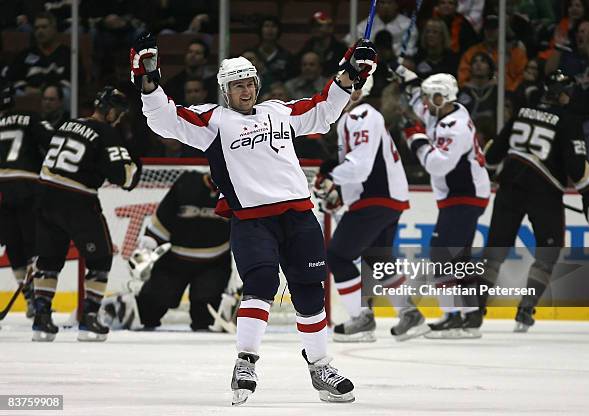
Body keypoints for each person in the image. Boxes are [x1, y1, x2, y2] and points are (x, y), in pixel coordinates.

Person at [131, 32, 376, 405]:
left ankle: (321, 367)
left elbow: (324, 110)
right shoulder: (212, 121)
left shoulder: (279, 111)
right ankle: (245, 362)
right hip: (251, 220)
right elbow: (164, 119)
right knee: (261, 280)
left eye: (250, 84)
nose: (245, 91)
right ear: (224, 91)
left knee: (310, 290)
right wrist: (148, 78)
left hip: (299, 215)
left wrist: (350, 73)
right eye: (236, 86)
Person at [481, 69, 589, 332]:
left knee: (495, 251)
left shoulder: (522, 112)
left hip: (510, 188)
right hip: (544, 192)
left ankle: (475, 308)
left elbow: (493, 154)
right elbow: (576, 166)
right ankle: (526, 308)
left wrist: (493, 174)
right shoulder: (568, 120)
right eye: (568, 93)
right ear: (560, 95)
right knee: (548, 251)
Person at [314, 76, 428, 343]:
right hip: (384, 197)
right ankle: (410, 314)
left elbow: (360, 166)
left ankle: (362, 319)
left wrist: (332, 177)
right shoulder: (354, 118)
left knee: (338, 256)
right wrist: (337, 186)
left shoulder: (360, 115)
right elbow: (359, 163)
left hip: (376, 197)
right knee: (379, 260)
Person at [31, 86, 140, 343]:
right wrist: (135, 164)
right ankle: (90, 318)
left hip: (45, 194)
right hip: (77, 200)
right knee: (100, 258)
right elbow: (123, 177)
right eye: (119, 113)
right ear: (111, 111)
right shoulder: (106, 132)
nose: (120, 118)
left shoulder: (68, 124)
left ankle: (41, 319)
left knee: (48, 259)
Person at [400, 70, 491, 338]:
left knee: (442, 253)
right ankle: (469, 315)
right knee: (456, 256)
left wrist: (415, 138)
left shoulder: (456, 127)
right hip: (461, 194)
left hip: (464, 195)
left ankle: (456, 315)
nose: (425, 104)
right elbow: (418, 101)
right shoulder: (446, 111)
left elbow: (437, 164)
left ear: (442, 97)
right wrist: (406, 76)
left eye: (431, 98)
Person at [101, 171, 231, 332]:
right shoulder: (187, 183)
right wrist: (149, 244)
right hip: (176, 260)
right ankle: (122, 306)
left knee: (206, 317)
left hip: (215, 262)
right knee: (151, 307)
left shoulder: (237, 189)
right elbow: (164, 215)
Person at [0, 79, 54, 318]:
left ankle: (29, 297)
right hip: (27, 186)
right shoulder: (30, 117)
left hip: (2, 188)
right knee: (33, 246)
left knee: (13, 246)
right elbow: (54, 144)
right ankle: (37, 297)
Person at [545, 20, 589, 168]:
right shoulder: (569, 56)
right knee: (566, 163)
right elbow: (549, 72)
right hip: (570, 119)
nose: (580, 35)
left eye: (585, 31)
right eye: (579, 32)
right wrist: (558, 47)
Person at [457, 15, 528, 91]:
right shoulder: (472, 52)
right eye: (487, 28)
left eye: (494, 29)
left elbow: (522, 77)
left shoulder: (516, 53)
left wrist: (509, 90)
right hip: (477, 93)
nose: (490, 32)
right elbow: (462, 80)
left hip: (508, 94)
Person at [6, 12, 71, 95]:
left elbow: (76, 79)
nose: (40, 31)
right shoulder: (26, 54)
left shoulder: (67, 53)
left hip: (59, 93)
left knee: (67, 93)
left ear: (54, 29)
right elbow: (12, 77)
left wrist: (50, 90)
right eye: (37, 28)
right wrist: (26, 88)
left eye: (44, 27)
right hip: (29, 92)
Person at [344, 0, 418, 58]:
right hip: (370, 62)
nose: (386, 6)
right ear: (376, 5)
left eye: (389, 3)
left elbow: (410, 50)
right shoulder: (365, 25)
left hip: (397, 60)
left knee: (408, 64)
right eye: (382, 2)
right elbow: (348, 41)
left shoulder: (408, 25)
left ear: (396, 5)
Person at [163, 39, 217, 106]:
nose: (192, 55)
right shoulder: (174, 83)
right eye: (190, 52)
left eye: (197, 53)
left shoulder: (213, 83)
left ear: (205, 59)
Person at [298, 11, 346, 77]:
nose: (315, 29)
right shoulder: (306, 48)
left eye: (319, 26)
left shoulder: (341, 50)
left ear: (330, 28)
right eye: (313, 26)